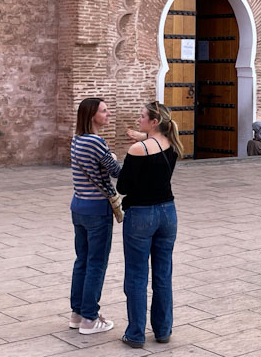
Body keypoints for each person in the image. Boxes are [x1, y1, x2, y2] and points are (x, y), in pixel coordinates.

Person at [117, 101, 182, 349]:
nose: (138, 119)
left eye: (142, 116)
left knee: (136, 275)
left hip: (141, 215)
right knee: (163, 274)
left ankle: (135, 334)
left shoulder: (137, 150)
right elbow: (156, 143)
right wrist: (143, 136)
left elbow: (122, 187)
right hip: (168, 213)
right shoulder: (173, 145)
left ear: (154, 122)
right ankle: (163, 330)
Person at [69, 98, 122, 334]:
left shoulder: (77, 139)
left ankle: (77, 313)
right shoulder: (96, 142)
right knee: (96, 263)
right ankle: (90, 318)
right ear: (92, 116)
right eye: (104, 110)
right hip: (97, 210)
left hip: (78, 206)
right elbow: (116, 171)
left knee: (82, 261)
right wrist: (114, 155)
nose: (108, 113)